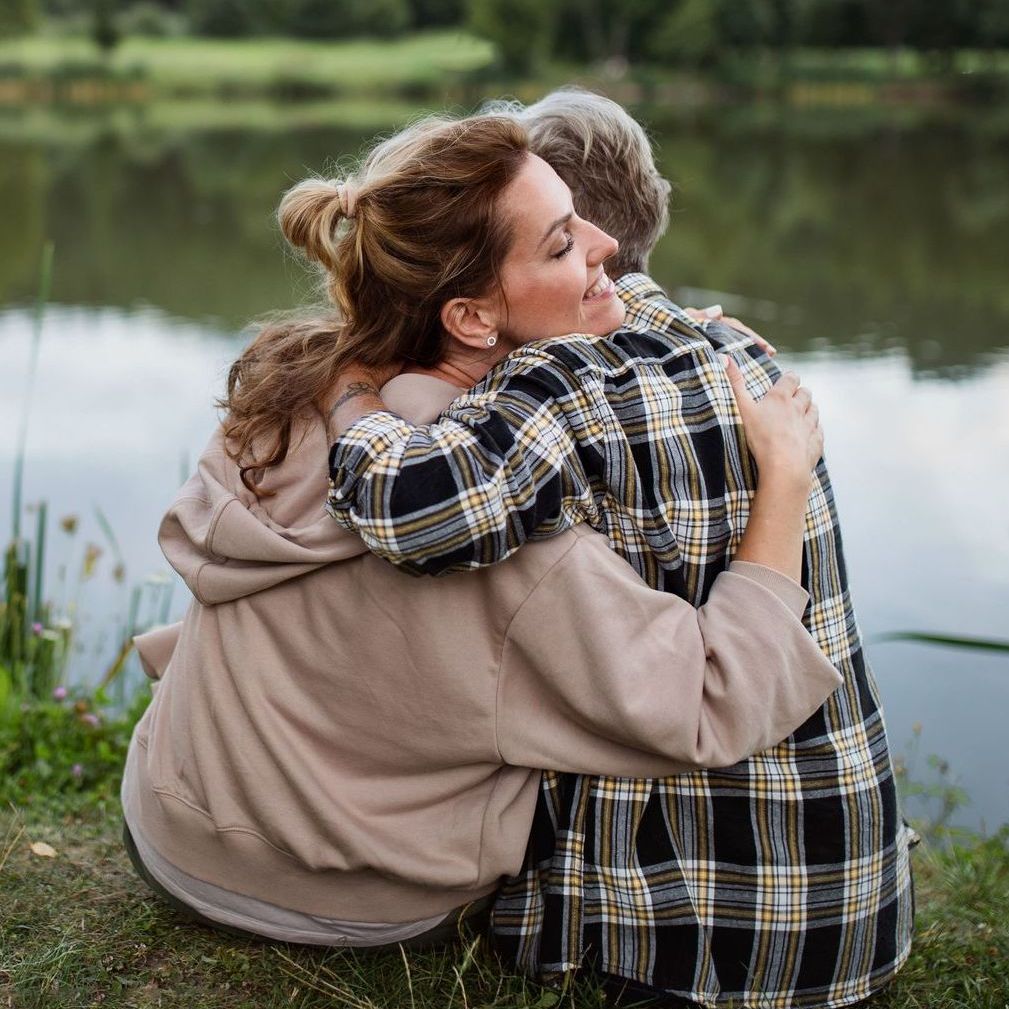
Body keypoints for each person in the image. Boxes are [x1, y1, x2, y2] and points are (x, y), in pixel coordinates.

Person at [120, 114, 842, 952]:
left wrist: (661, 332)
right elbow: (717, 701)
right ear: (469, 317)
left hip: (168, 834)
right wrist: (783, 478)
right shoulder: (495, 520)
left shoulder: (295, 385)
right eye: (564, 241)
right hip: (350, 899)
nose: (609, 246)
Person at [324, 92, 915, 1006]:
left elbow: (409, 512)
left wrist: (353, 391)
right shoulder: (729, 347)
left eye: (574, 232)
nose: (589, 247)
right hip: (850, 903)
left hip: (704, 937)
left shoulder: (562, 385)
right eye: (561, 240)